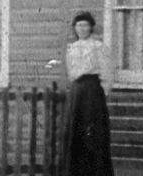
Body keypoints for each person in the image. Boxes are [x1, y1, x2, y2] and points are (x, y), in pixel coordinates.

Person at [57, 12, 114, 176]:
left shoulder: (98, 46)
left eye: (85, 25)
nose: (82, 28)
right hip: (77, 91)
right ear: (75, 28)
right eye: (79, 25)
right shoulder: (72, 48)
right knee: (76, 131)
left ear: (91, 28)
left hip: (92, 91)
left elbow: (107, 72)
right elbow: (71, 72)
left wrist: (101, 93)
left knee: (93, 132)